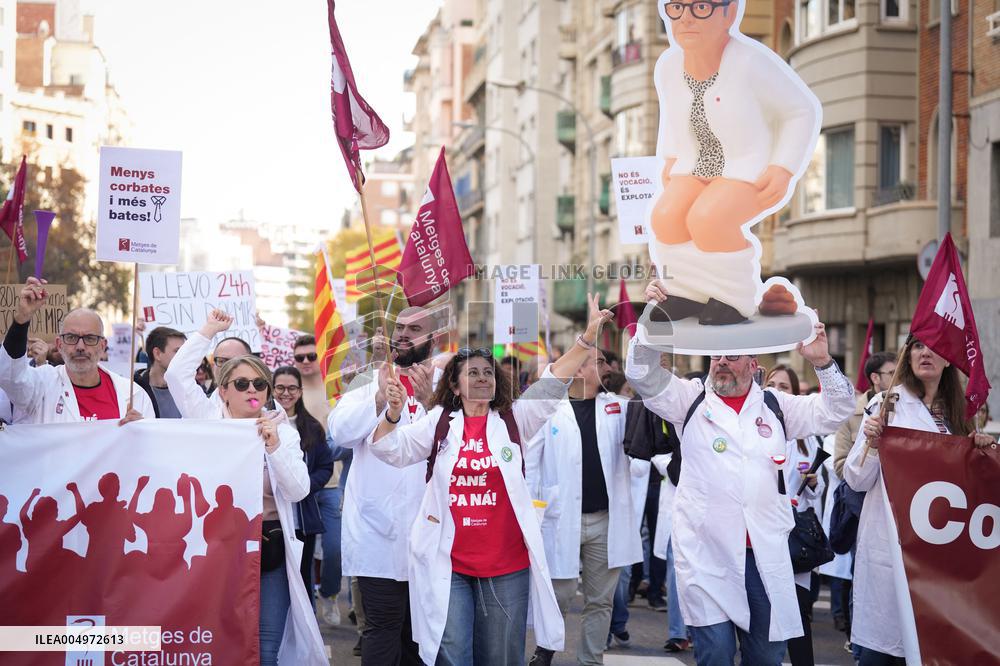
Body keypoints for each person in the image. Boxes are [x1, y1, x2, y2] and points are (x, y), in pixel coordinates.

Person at [369, 295, 614, 666]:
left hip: (506, 568)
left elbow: (553, 380)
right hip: (449, 565)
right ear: (454, 385)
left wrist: (587, 338)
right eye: (472, 373)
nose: (482, 378)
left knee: (500, 657)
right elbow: (388, 450)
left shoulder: (517, 420)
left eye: (487, 372)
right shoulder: (438, 425)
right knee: (453, 655)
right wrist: (392, 412)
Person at [625, 280, 854, 665]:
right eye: (716, 357)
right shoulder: (689, 399)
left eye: (732, 356)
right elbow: (642, 375)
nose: (722, 363)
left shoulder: (776, 407)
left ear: (753, 365)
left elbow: (837, 411)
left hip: (764, 558)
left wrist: (821, 363)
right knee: (713, 653)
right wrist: (653, 316)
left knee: (765, 657)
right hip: (707, 556)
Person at [164, 309, 326, 666]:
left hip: (269, 550)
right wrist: (208, 330)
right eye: (240, 384)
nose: (251, 390)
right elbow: (176, 374)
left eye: (259, 384)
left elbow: (299, 490)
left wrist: (273, 447)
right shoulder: (208, 420)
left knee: (266, 645)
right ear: (223, 390)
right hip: (219, 551)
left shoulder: (282, 430)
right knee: (219, 638)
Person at [647, 0, 818, 326]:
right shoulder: (669, 66)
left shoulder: (751, 62)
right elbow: (671, 116)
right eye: (676, 8)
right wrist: (671, 157)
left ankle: (734, 298)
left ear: (728, 12)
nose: (685, 19)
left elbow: (800, 111)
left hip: (745, 168)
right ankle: (686, 292)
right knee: (666, 218)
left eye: (700, 8)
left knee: (709, 218)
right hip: (693, 165)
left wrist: (783, 166)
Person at [845, 336, 993, 665]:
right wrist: (871, 441)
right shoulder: (887, 404)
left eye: (935, 347)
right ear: (907, 354)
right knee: (882, 653)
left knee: (931, 650)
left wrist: (980, 453)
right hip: (893, 553)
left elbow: (970, 492)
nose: (925, 353)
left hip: (939, 563)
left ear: (949, 359)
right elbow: (856, 479)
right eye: (916, 346)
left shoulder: (961, 416)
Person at [328, 306, 442, 666]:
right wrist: (378, 399)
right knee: (380, 632)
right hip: (377, 536)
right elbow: (341, 434)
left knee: (422, 637)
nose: (404, 334)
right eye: (400, 327)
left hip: (432, 536)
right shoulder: (368, 379)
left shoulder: (446, 385)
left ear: (433, 339)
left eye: (415, 329)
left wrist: (430, 402)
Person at [524, 346, 643, 666]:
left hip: (606, 521)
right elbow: (531, 464)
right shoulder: (550, 410)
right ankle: (546, 648)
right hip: (561, 518)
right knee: (558, 594)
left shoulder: (617, 407)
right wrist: (532, 512)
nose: (604, 369)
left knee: (600, 600)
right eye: (597, 363)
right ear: (578, 369)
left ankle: (590, 659)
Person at [0, 278, 152, 424]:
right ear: (59, 344)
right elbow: (11, 377)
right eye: (71, 337)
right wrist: (22, 319)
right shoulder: (41, 385)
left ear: (102, 345)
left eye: (90, 338)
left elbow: (149, 447)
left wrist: (140, 431)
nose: (80, 346)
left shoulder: (134, 396)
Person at [765, 365, 825, 666]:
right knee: (761, 613)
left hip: (794, 536)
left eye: (784, 386)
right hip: (760, 533)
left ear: (794, 394)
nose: (777, 390)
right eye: (771, 384)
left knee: (798, 613)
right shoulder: (753, 428)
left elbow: (818, 487)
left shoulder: (806, 437)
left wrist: (814, 483)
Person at [292, 333, 345, 625]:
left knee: (336, 549)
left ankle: (330, 593)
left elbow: (344, 437)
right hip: (299, 486)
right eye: (299, 357)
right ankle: (308, 608)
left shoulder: (334, 390)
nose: (305, 362)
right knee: (304, 552)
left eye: (311, 356)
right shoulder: (289, 390)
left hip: (333, 484)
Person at [272, 365, 334, 609]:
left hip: (302, 518)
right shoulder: (258, 422)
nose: (285, 394)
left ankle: (307, 636)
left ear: (300, 391)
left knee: (302, 577)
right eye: (280, 388)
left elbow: (325, 467)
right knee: (275, 578)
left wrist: (305, 485)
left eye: (292, 388)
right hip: (272, 519)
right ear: (271, 389)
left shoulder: (312, 427)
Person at [833, 351, 896, 479]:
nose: (898, 378)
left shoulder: (906, 408)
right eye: (892, 373)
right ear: (875, 378)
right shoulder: (851, 414)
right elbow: (841, 467)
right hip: (865, 495)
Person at [134, 326, 187, 418]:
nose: (184, 356)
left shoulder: (191, 388)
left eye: (185, 351)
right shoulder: (135, 391)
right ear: (157, 354)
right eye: (177, 351)